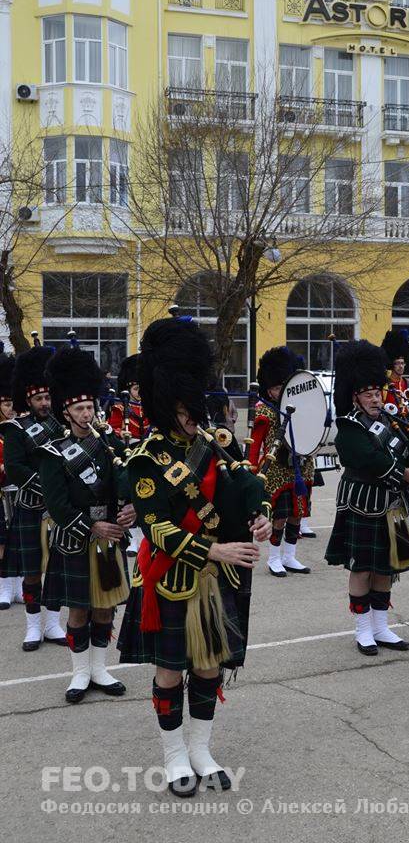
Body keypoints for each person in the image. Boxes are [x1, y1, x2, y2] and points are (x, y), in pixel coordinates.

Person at [117, 316, 271, 797]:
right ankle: (174, 755)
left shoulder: (216, 444)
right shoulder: (145, 458)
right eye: (183, 407)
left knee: (209, 666)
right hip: (172, 576)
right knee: (170, 670)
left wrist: (261, 513)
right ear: (167, 402)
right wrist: (215, 548)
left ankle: (201, 749)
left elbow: (247, 482)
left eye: (194, 405)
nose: (191, 415)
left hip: (216, 579)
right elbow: (156, 528)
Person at [325, 340, 409, 654]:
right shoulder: (347, 426)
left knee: (386, 567)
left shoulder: (389, 421)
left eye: (378, 392)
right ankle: (363, 630)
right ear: (354, 396)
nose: (376, 398)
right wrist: (405, 474)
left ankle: (381, 626)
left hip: (390, 504)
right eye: (368, 394)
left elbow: (408, 449)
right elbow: (370, 460)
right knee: (361, 567)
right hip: (362, 502)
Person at [40, 342, 133, 703]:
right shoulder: (54, 453)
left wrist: (130, 511)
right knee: (79, 608)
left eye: (90, 406)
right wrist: (93, 526)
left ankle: (99, 669)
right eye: (79, 408)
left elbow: (125, 484)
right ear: (66, 412)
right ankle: (79, 674)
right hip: (78, 538)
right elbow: (57, 505)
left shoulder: (110, 446)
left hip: (109, 536)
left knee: (105, 606)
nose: (86, 413)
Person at [0, 337, 67, 649]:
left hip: (60, 512)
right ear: (28, 400)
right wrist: (49, 488)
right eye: (38, 398)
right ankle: (32, 626)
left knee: (57, 568)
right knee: (31, 572)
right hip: (31, 507)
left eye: (46, 396)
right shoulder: (16, 429)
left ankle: (53, 624)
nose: (44, 402)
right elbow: (14, 468)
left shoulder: (61, 426)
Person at [248, 347, 313, 577]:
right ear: (268, 389)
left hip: (301, 467)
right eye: (276, 388)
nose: (280, 391)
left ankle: (290, 555)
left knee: (298, 513)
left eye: (283, 386)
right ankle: (274, 558)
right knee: (280, 516)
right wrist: (251, 470)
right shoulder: (264, 410)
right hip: (275, 470)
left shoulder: (302, 406)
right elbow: (254, 444)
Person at [381, 329, 409, 533]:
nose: (401, 366)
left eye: (403, 363)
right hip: (391, 433)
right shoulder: (384, 385)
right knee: (396, 476)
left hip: (408, 432)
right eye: (398, 363)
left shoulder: (407, 383)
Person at [108, 353, 150, 556]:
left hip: (147, 456)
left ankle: (143, 538)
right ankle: (131, 538)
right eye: (135, 389)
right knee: (128, 497)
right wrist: (120, 434)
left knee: (145, 494)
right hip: (128, 456)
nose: (139, 393)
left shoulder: (151, 407)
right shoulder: (119, 407)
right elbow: (111, 429)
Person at [0, 351, 20, 608]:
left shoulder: (21, 430)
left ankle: (20, 587)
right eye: (5, 403)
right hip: (1, 493)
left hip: (22, 492)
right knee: (2, 542)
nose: (11, 408)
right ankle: (4, 586)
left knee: (23, 543)